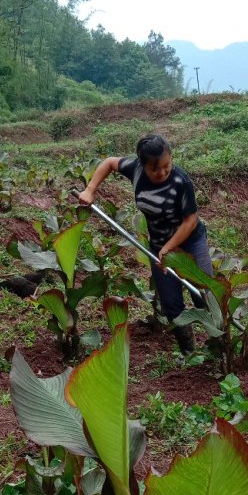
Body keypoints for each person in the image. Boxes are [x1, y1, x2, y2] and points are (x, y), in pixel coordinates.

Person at [78, 133, 213, 354]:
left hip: (190, 242)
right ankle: (190, 354)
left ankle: (220, 346)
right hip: (159, 245)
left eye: (166, 165)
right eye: (155, 169)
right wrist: (90, 189)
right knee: (171, 304)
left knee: (206, 296)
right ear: (143, 165)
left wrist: (170, 247)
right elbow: (110, 163)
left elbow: (190, 221)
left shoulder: (181, 182)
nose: (162, 172)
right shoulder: (136, 170)